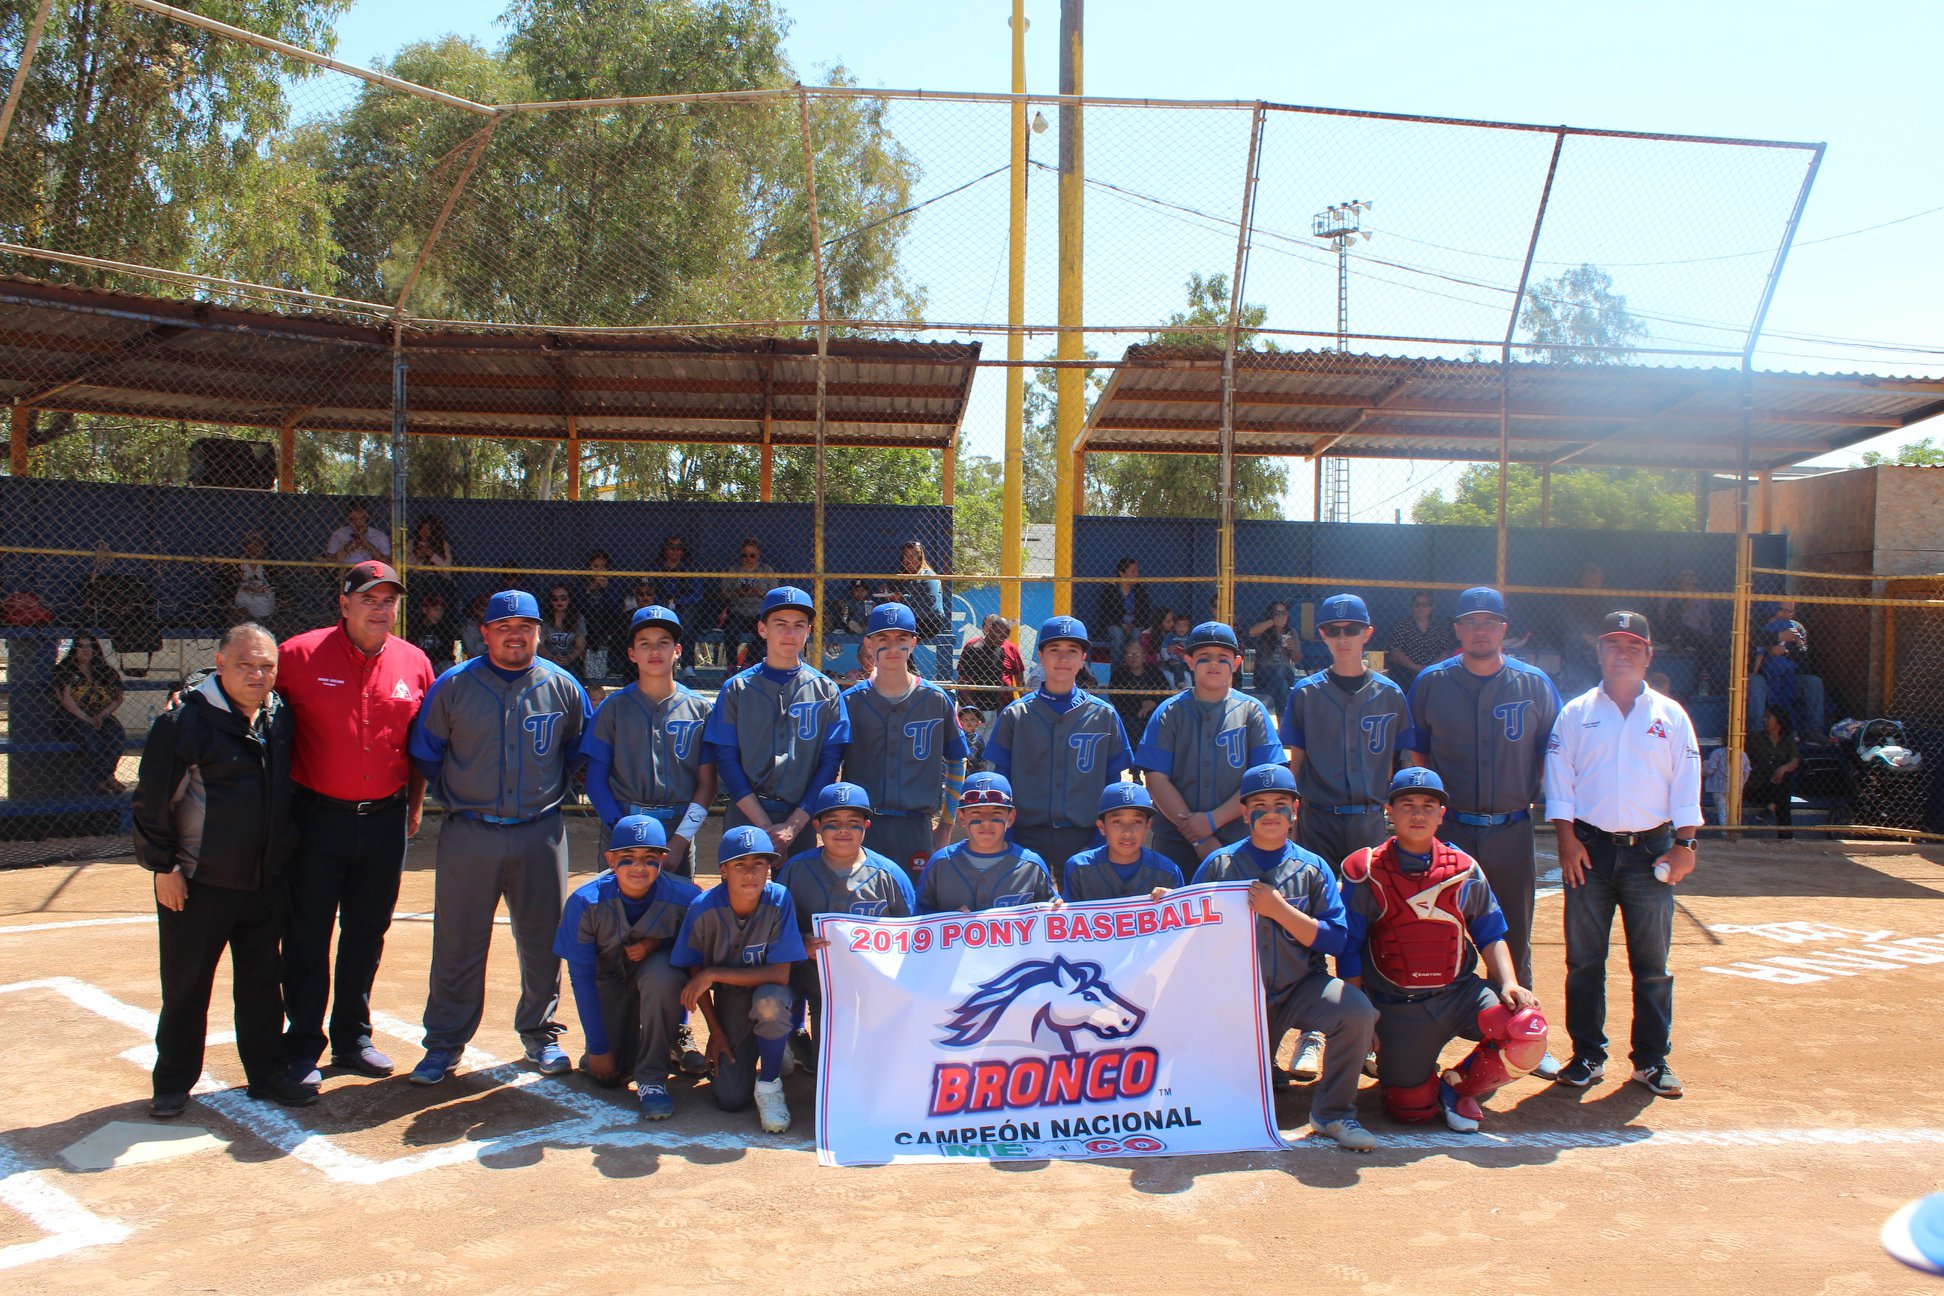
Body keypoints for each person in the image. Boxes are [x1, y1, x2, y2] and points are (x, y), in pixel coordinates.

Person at [406, 589, 594, 1086]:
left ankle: (540, 1033)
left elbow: (577, 751)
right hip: (470, 831)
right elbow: (426, 751)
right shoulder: (453, 685)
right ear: (485, 632)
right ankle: (444, 1042)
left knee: (543, 941)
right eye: (504, 626)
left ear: (539, 632)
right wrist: (455, 791)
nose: (516, 634)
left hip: (541, 831)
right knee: (458, 941)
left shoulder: (562, 685)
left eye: (526, 626)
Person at [133, 622, 314, 1117]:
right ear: (219, 664)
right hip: (197, 884)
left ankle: (266, 1073)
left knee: (261, 985)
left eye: (266, 667)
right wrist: (162, 866)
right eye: (245, 665)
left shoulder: (279, 719)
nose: (257, 675)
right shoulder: (184, 723)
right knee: (187, 986)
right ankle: (172, 1082)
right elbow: (152, 803)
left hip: (263, 882)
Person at [275, 561, 434, 1084]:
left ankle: (351, 1036)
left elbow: (419, 747)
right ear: (343, 604)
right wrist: (191, 689)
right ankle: (301, 1043)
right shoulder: (297, 655)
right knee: (307, 934)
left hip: (385, 820)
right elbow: (246, 689)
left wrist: (413, 806)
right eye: (369, 598)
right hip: (316, 818)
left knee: (367, 931)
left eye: (389, 600)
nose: (380, 608)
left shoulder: (414, 662)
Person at [1404, 586, 1563, 1080]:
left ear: (1504, 629)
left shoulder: (1534, 684)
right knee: (1430, 933)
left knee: (1512, 933)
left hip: (1510, 827)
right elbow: (1418, 758)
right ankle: (1422, 1037)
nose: (1479, 630)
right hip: (1449, 832)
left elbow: (1550, 757)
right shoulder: (1431, 682)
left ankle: (1524, 1032)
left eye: (1489, 622)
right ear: (1457, 630)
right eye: (1470, 622)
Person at [1544, 610, 1701, 1097]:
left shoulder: (1670, 715)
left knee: (1652, 964)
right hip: (1588, 851)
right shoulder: (1575, 712)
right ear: (1599, 652)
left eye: (1634, 646)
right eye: (1614, 644)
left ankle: (1651, 1061)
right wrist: (1566, 839)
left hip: (1651, 851)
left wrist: (1685, 844)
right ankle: (1587, 1055)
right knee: (1584, 961)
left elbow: (1686, 784)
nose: (1623, 653)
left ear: (1649, 654)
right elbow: (1559, 779)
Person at [1340, 768, 1548, 1134]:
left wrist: (1510, 983)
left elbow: (1490, 932)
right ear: (1389, 810)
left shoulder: (1462, 868)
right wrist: (1362, 1014)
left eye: (1428, 805)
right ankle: (1413, 1078)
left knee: (1526, 1031)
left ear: (1442, 814)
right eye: (1407, 805)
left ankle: (1459, 1086)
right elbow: (1349, 948)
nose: (1418, 814)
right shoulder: (1368, 870)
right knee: (1409, 1110)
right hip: (1397, 1005)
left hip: (1459, 994)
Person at [1191, 764, 1380, 1152]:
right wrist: (1166, 904)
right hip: (1239, 1000)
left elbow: (1337, 940)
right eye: (1259, 804)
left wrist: (1280, 910)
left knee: (1357, 1012)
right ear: (1244, 814)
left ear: (1296, 810)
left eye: (1281, 803)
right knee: (1224, 1100)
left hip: (1299, 987)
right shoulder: (1220, 865)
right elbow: (1187, 933)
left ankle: (1333, 1113)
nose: (1271, 812)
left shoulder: (1312, 867)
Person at [552, 814, 702, 1121]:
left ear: (664, 858)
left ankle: (653, 1078)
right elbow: (580, 977)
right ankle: (619, 1044)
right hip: (608, 982)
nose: (639, 867)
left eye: (650, 858)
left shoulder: (686, 896)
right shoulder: (585, 900)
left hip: (654, 981)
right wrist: (598, 1047)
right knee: (607, 1075)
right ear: (610, 858)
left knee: (664, 976)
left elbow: (696, 955)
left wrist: (656, 945)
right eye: (627, 858)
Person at [670, 825, 806, 1134]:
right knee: (730, 1098)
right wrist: (716, 1031)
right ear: (723, 871)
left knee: (769, 1004)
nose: (750, 873)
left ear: (769, 868)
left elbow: (780, 973)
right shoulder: (703, 908)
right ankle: (771, 1041)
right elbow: (694, 976)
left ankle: (770, 1082)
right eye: (739, 864)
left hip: (773, 992)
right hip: (732, 999)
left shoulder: (779, 898)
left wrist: (714, 972)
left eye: (759, 863)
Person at [775, 783, 918, 1073]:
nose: (843, 831)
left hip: (874, 984)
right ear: (816, 826)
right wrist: (801, 941)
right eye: (832, 824)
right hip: (812, 978)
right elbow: (775, 926)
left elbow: (914, 936)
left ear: (866, 825)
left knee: (871, 1064)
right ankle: (789, 1042)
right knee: (829, 1067)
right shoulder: (796, 869)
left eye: (853, 823)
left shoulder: (889, 875)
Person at [987, 616, 1135, 881]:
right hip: (1026, 836)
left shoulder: (1104, 714)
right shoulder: (1016, 714)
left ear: (1083, 659)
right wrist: (1006, 837)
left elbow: (1113, 783)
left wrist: (1101, 841)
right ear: (1041, 656)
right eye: (1054, 650)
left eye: (1072, 651)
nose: (1063, 658)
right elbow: (1001, 783)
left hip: (1085, 836)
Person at [704, 586, 850, 849]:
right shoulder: (737, 688)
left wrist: (793, 826)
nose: (789, 633)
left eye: (799, 625)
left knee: (796, 890)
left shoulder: (826, 690)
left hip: (800, 815)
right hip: (746, 812)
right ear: (762, 629)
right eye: (780, 624)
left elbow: (831, 764)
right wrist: (766, 827)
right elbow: (726, 761)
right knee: (741, 889)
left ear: (808, 631)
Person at [583, 604, 717, 880]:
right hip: (622, 822)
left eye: (663, 643)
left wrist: (681, 841)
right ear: (632, 653)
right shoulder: (612, 708)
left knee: (676, 916)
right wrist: (622, 833)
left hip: (676, 829)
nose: (654, 651)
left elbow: (708, 785)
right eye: (645, 644)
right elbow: (595, 781)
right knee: (616, 917)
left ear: (677, 651)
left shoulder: (701, 709)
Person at [1136, 621, 1282, 874]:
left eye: (1222, 657)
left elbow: (1263, 781)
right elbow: (1156, 779)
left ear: (1236, 663)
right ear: (1189, 661)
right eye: (1204, 657)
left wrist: (1212, 821)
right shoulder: (1169, 711)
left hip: (1238, 839)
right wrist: (1197, 835)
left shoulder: (1252, 711)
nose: (1214, 663)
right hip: (1175, 839)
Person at [1285, 594, 1412, 868]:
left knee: (1370, 904)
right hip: (1317, 818)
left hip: (1369, 818)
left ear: (1367, 634)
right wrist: (1291, 811)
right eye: (1333, 630)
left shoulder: (1390, 693)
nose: (1343, 638)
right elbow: (1298, 761)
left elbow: (1401, 760)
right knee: (1315, 904)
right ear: (1323, 635)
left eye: (1351, 630)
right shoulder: (1306, 692)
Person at [840, 603, 967, 874]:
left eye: (901, 639)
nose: (893, 647)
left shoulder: (935, 699)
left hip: (916, 827)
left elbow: (957, 759)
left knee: (916, 908)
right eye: (883, 638)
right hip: (863, 826)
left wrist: (945, 826)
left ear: (914, 643)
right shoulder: (851, 701)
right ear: (869, 644)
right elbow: (830, 764)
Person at [917, 773, 1058, 913]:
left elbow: (1051, 916)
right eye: (976, 813)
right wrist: (948, 920)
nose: (985, 822)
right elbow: (918, 915)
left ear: (1010, 817)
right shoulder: (941, 863)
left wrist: (1058, 910)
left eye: (996, 813)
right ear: (961, 817)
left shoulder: (1032, 866)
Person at [1061, 782, 1184, 903]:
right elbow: (1068, 918)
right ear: (1101, 827)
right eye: (1117, 822)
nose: (1127, 832)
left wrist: (1171, 900)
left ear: (1148, 826)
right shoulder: (1079, 868)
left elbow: (1185, 919)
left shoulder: (1167, 871)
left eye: (1137, 822)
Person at [50, 632, 126, 793]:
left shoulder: (106, 672)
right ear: (73, 650)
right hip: (71, 716)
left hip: (100, 714)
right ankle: (107, 779)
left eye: (89, 647)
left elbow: (118, 698)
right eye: (80, 647)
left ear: (95, 650)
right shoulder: (64, 670)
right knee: (90, 737)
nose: (85, 651)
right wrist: (86, 718)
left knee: (116, 734)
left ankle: (103, 778)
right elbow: (65, 700)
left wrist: (101, 715)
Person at [1106, 636, 1170, 763]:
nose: (1133, 657)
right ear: (1124, 657)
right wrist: (1140, 705)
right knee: (1131, 726)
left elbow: (1166, 693)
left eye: (1136, 653)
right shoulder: (1119, 673)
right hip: (1129, 714)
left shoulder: (1154, 672)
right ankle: (1134, 766)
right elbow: (1116, 698)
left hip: (1153, 713)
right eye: (1129, 654)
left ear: (1144, 655)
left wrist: (1153, 704)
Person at [1743, 703, 1801, 839]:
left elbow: (1795, 760)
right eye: (1765, 717)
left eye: (1768, 717)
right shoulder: (1754, 739)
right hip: (1756, 786)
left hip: (1776, 786)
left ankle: (1771, 808)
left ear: (1779, 720)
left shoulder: (1787, 739)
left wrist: (1783, 768)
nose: (1765, 720)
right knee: (1783, 795)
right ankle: (1785, 835)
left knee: (1783, 786)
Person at [719, 537, 776, 669]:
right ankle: (732, 664)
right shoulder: (734, 570)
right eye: (744, 556)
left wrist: (761, 593)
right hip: (738, 610)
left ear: (758, 555)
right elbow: (723, 593)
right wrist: (738, 593)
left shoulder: (766, 570)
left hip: (759, 612)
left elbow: (774, 593)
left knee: (764, 632)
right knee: (732, 630)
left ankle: (748, 662)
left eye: (752, 555)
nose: (748, 559)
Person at [1382, 591, 1454, 694]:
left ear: (1431, 608)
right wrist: (1416, 667)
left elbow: (1445, 653)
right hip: (1407, 674)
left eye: (1425, 605)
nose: (1421, 608)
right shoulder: (1403, 627)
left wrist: (1429, 669)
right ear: (1412, 607)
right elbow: (1394, 652)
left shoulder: (1438, 629)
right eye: (1417, 605)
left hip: (1433, 673)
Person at [955, 614, 1024, 716]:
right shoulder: (973, 647)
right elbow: (962, 680)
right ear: (990, 629)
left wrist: (1019, 700)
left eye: (1006, 635)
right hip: (972, 709)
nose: (1003, 639)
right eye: (1000, 634)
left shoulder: (1003, 650)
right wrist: (972, 707)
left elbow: (1018, 677)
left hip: (997, 709)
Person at [884, 539, 946, 639]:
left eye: (911, 557)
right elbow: (895, 592)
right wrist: (887, 592)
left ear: (920, 558)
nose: (906, 560)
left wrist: (902, 598)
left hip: (927, 621)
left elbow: (929, 600)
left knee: (894, 634)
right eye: (905, 556)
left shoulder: (927, 575)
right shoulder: (905, 576)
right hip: (910, 618)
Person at [1092, 557, 1152, 659]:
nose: (1137, 574)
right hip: (1115, 623)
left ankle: (1133, 666)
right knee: (1118, 635)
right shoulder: (1110, 589)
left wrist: (1133, 625)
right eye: (1133, 571)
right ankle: (1118, 669)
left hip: (1134, 623)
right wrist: (1122, 624)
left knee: (1136, 635)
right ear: (1122, 573)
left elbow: (1144, 612)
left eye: (1137, 571)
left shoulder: (1140, 590)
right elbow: (1106, 613)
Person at [1246, 601, 1296, 717]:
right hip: (1264, 673)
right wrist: (1273, 622)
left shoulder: (1291, 632)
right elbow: (1251, 632)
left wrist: (1293, 648)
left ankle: (1263, 708)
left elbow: (1297, 659)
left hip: (1286, 673)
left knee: (1281, 670)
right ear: (1271, 615)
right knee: (1281, 684)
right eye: (1277, 613)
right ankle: (1282, 720)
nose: (1282, 616)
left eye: (1284, 613)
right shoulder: (1265, 630)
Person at [579, 550, 624, 682]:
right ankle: (593, 672)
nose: (599, 571)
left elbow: (615, 608)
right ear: (589, 568)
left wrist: (606, 589)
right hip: (587, 624)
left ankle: (613, 666)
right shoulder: (581, 583)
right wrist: (589, 590)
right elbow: (577, 606)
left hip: (609, 623)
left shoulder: (614, 584)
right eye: (595, 567)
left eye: (603, 567)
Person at [228, 530, 279, 628]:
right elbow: (225, 589)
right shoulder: (235, 565)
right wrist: (235, 608)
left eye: (259, 545)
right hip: (242, 609)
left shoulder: (270, 566)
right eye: (252, 544)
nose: (256, 548)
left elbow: (279, 587)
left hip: (266, 610)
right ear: (245, 546)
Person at [538, 583, 588, 680]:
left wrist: (568, 658)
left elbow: (580, 645)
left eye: (563, 598)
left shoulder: (578, 618)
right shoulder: (544, 619)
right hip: (549, 658)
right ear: (551, 601)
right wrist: (552, 658)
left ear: (569, 599)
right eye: (555, 599)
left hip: (571, 659)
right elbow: (540, 645)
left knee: (573, 669)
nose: (559, 601)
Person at [322, 502, 389, 568]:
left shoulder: (379, 536)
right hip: (344, 569)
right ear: (348, 519)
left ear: (367, 518)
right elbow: (329, 560)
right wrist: (347, 548)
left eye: (361, 518)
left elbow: (387, 562)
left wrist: (369, 547)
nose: (357, 522)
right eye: (353, 519)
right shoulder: (339, 534)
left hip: (371, 570)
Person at [408, 588, 460, 673]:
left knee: (448, 666)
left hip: (439, 664)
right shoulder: (415, 626)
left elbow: (451, 650)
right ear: (425, 610)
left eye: (441, 610)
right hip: (421, 662)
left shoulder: (445, 627)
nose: (438, 614)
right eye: (435, 610)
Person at [407, 514, 454, 604]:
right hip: (417, 577)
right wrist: (417, 555)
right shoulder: (411, 543)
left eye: (428, 529)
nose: (424, 531)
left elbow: (448, 569)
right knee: (416, 581)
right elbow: (406, 566)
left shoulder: (442, 544)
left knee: (432, 578)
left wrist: (432, 555)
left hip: (438, 579)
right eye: (422, 528)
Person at [1146, 607, 1190, 688]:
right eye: (1168, 621)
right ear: (1159, 623)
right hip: (1163, 665)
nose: (1173, 624)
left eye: (1173, 620)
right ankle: (1180, 684)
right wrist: (1166, 656)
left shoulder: (1185, 636)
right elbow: (1145, 658)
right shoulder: (1169, 636)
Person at [959, 704, 990, 773]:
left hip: (973, 770)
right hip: (958, 768)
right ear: (961, 723)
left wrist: (982, 763)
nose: (969, 722)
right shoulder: (958, 737)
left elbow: (982, 754)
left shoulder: (978, 739)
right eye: (965, 719)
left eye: (972, 719)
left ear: (977, 723)